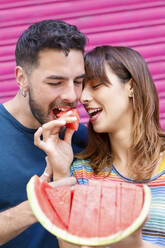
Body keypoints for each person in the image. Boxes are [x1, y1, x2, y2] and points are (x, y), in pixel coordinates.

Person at [35, 45, 165, 248]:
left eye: (95, 86)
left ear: (131, 86)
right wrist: (61, 171)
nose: (83, 98)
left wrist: (136, 245)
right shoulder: (83, 172)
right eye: (83, 87)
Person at [0, 19, 88, 247]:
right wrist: (37, 206)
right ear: (22, 78)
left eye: (78, 81)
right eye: (56, 82)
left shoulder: (83, 140)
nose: (71, 95)